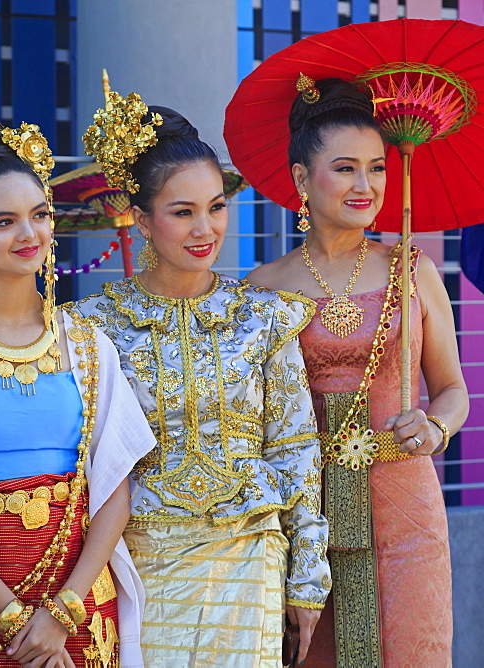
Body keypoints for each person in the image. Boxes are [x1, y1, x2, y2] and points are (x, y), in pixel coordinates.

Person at [72, 92, 331, 666]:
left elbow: (294, 448)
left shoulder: (264, 317)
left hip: (251, 557)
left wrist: (307, 576)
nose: (205, 228)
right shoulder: (93, 328)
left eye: (216, 207)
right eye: (182, 211)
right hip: (138, 560)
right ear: (141, 219)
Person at [0, 117, 149, 668]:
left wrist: (65, 608)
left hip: (81, 595)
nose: (29, 234)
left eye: (40, 215)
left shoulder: (90, 345)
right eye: (4, 221)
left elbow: (114, 483)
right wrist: (12, 613)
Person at [243, 76, 467, 667]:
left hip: (405, 503)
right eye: (344, 168)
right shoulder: (261, 289)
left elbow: (452, 390)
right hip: (307, 510)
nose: (365, 185)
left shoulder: (412, 269)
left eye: (378, 168)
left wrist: (436, 427)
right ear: (299, 179)